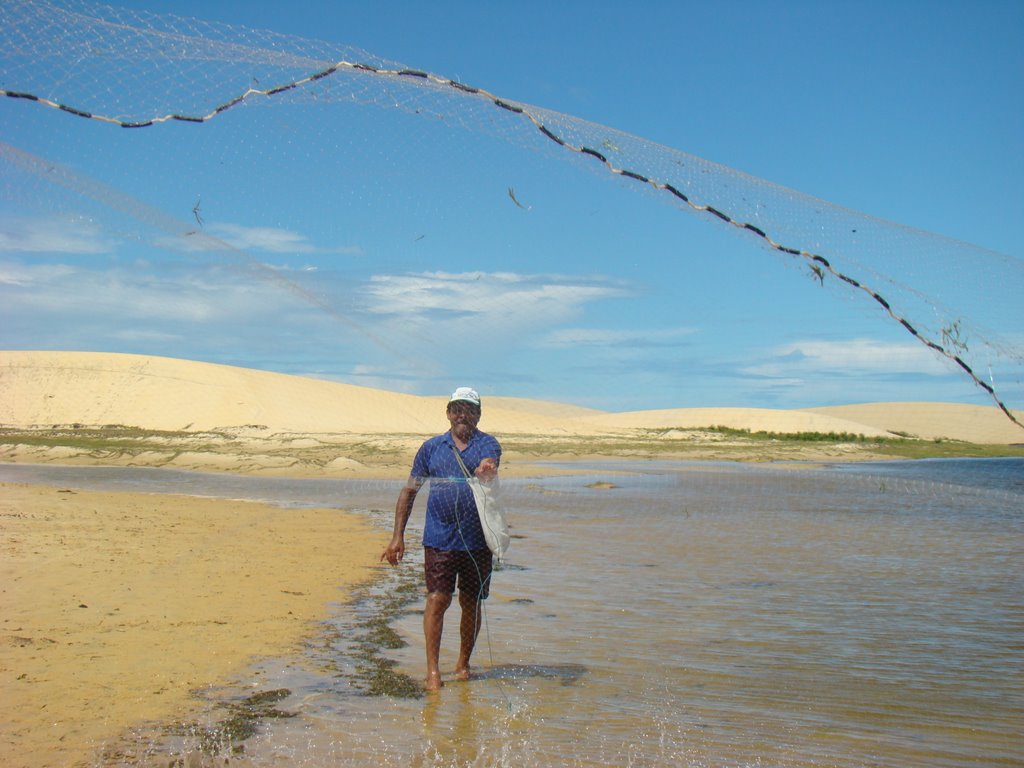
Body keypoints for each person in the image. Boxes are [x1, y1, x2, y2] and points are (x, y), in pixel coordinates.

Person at [381, 387, 501, 691]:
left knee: (471, 603)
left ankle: (463, 664)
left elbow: (490, 462)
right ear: (448, 412)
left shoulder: (488, 443)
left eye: (470, 410)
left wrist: (485, 468)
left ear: (478, 414)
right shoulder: (431, 448)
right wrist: (397, 537)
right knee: (437, 599)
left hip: (477, 541)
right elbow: (410, 490)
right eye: (457, 409)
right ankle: (433, 671)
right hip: (439, 539)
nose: (463, 415)